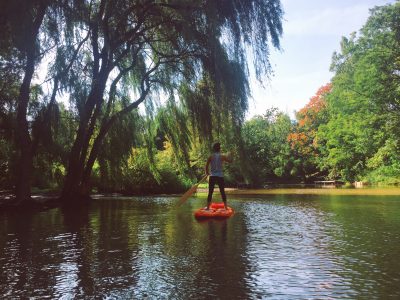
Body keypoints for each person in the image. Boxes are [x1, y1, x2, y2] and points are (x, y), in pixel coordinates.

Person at [205, 142, 232, 210]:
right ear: (219, 148)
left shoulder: (211, 156)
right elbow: (230, 161)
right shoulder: (222, 156)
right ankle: (225, 207)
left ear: (213, 149)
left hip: (212, 176)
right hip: (220, 176)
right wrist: (230, 155)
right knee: (222, 191)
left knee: (210, 192)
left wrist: (207, 172)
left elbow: (206, 165)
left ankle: (208, 207)